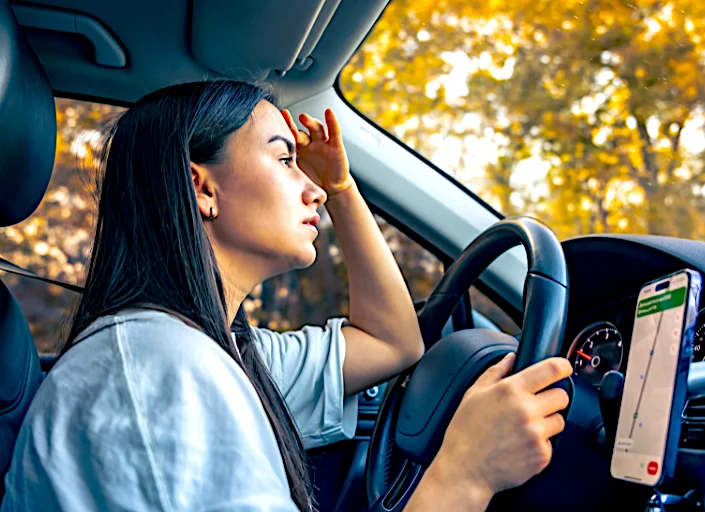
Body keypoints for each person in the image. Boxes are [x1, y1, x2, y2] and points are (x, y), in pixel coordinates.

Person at [1, 80, 572, 512]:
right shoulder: (160, 373)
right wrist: (465, 474)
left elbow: (394, 343)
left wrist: (345, 190)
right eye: (284, 159)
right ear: (203, 187)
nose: (313, 188)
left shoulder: (221, 352)